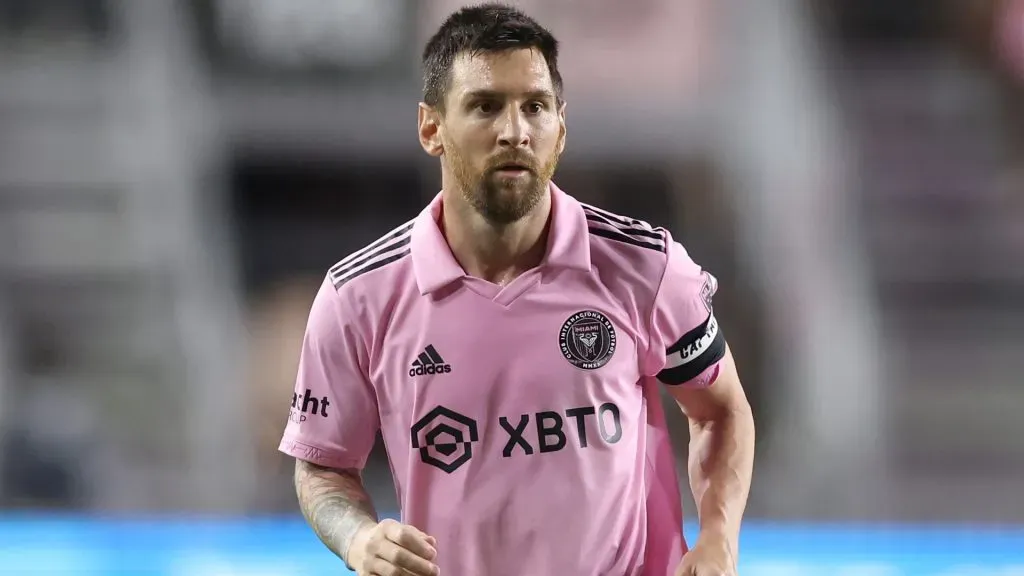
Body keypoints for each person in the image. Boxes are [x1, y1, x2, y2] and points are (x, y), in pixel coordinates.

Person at [279, 4, 755, 575]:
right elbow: (323, 464)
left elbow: (721, 412)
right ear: (431, 127)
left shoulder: (644, 268)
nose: (515, 131)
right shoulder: (358, 297)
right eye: (485, 106)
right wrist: (358, 538)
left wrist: (719, 536)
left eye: (535, 106)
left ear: (561, 128)